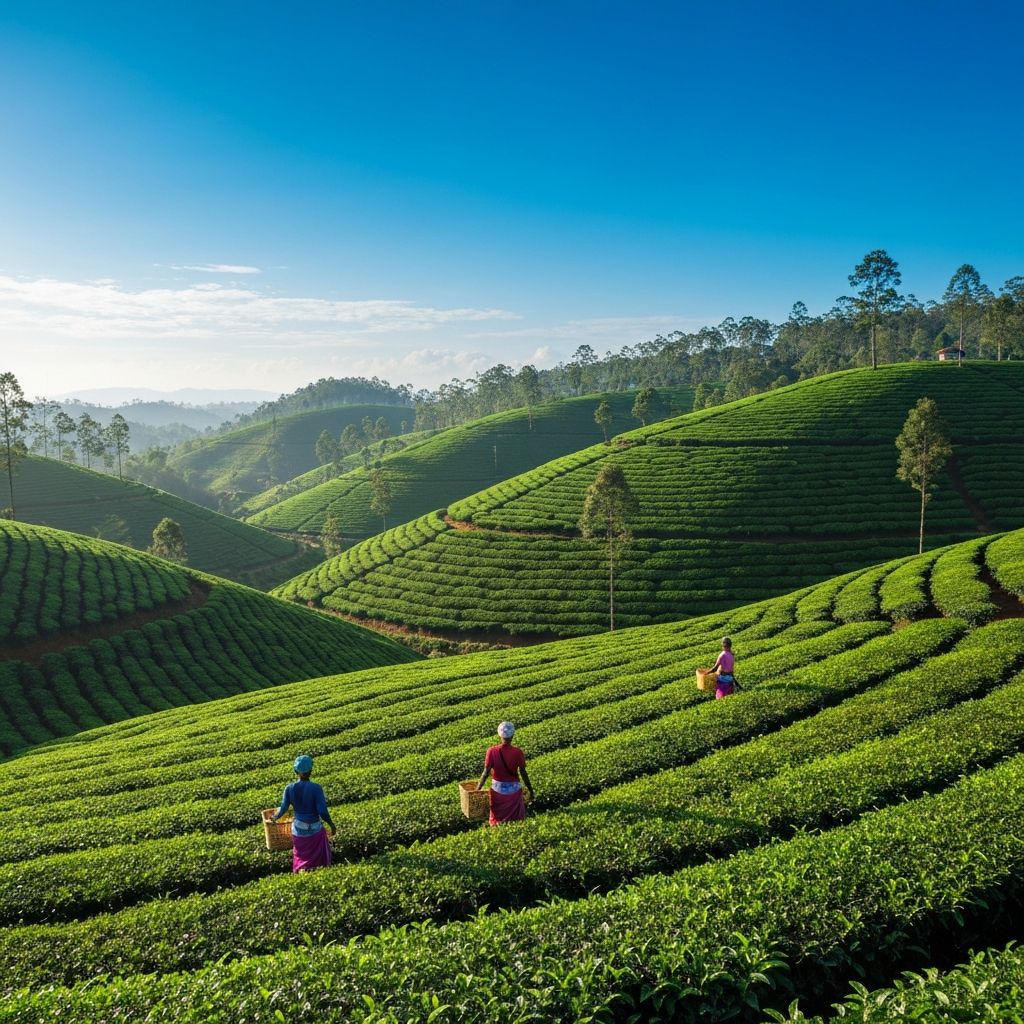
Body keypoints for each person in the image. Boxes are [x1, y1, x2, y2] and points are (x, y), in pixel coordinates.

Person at [271, 754, 336, 871]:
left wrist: (274, 817)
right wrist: (331, 824)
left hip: (298, 829)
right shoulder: (316, 788)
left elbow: (284, 807)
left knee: (301, 857)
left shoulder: (289, 788)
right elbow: (322, 811)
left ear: (296, 771)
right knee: (319, 862)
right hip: (315, 828)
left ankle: (301, 872)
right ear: (311, 770)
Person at [476, 721, 534, 825]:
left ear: (499, 734)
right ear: (513, 735)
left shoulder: (491, 751)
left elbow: (485, 773)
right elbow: (523, 773)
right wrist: (530, 789)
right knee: (516, 822)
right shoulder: (518, 752)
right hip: (514, 790)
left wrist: (477, 789)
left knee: (497, 821)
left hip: (497, 791)